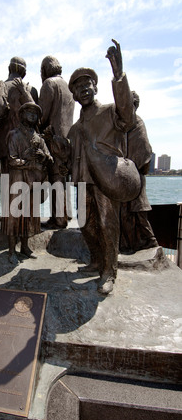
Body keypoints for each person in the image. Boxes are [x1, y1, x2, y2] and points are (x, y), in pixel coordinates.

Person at [68, 40, 136, 294]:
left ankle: (110, 271)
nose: (83, 89)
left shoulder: (109, 113)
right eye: (78, 87)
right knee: (85, 224)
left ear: (95, 87)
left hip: (108, 179)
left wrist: (119, 76)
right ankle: (97, 260)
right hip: (85, 182)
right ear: (73, 95)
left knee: (108, 225)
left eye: (87, 84)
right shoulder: (75, 128)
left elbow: (127, 116)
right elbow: (69, 156)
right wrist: (58, 145)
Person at [1, 102, 53, 264]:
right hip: (17, 180)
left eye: (35, 113)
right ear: (22, 115)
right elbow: (11, 160)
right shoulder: (13, 135)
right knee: (14, 215)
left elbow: (50, 158)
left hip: (33, 182)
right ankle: (11, 250)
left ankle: (25, 247)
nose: (32, 115)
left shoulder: (39, 138)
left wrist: (43, 156)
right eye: (28, 112)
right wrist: (27, 159)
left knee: (29, 215)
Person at [38, 55, 75, 229]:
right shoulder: (68, 86)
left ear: (44, 70)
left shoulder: (49, 84)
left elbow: (42, 115)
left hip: (53, 140)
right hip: (68, 140)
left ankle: (58, 219)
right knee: (63, 177)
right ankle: (66, 214)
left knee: (56, 179)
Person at [120, 91, 158, 252]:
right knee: (126, 213)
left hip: (135, 175)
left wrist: (130, 165)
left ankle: (149, 241)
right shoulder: (125, 123)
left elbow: (144, 150)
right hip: (125, 176)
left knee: (138, 213)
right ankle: (129, 243)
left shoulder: (137, 123)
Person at [0, 57, 38, 174]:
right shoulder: (32, 90)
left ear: (9, 69)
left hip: (4, 142)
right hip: (27, 142)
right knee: (26, 180)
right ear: (25, 73)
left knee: (6, 181)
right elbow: (38, 118)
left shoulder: (0, 88)